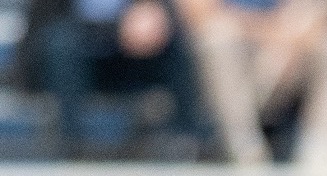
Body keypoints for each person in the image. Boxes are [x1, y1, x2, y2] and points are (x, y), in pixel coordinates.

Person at [175, 0, 327, 165]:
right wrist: (272, 33)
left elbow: (316, 17)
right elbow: (199, 15)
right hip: (224, 71)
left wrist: (288, 40)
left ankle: (322, 151)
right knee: (217, 36)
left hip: (287, 60)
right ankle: (242, 151)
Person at [19, 0, 205, 157]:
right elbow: (44, 22)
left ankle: (188, 141)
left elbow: (164, 13)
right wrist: (113, 27)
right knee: (61, 43)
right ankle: (71, 144)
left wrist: (152, 13)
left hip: (131, 57)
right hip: (74, 52)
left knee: (177, 42)